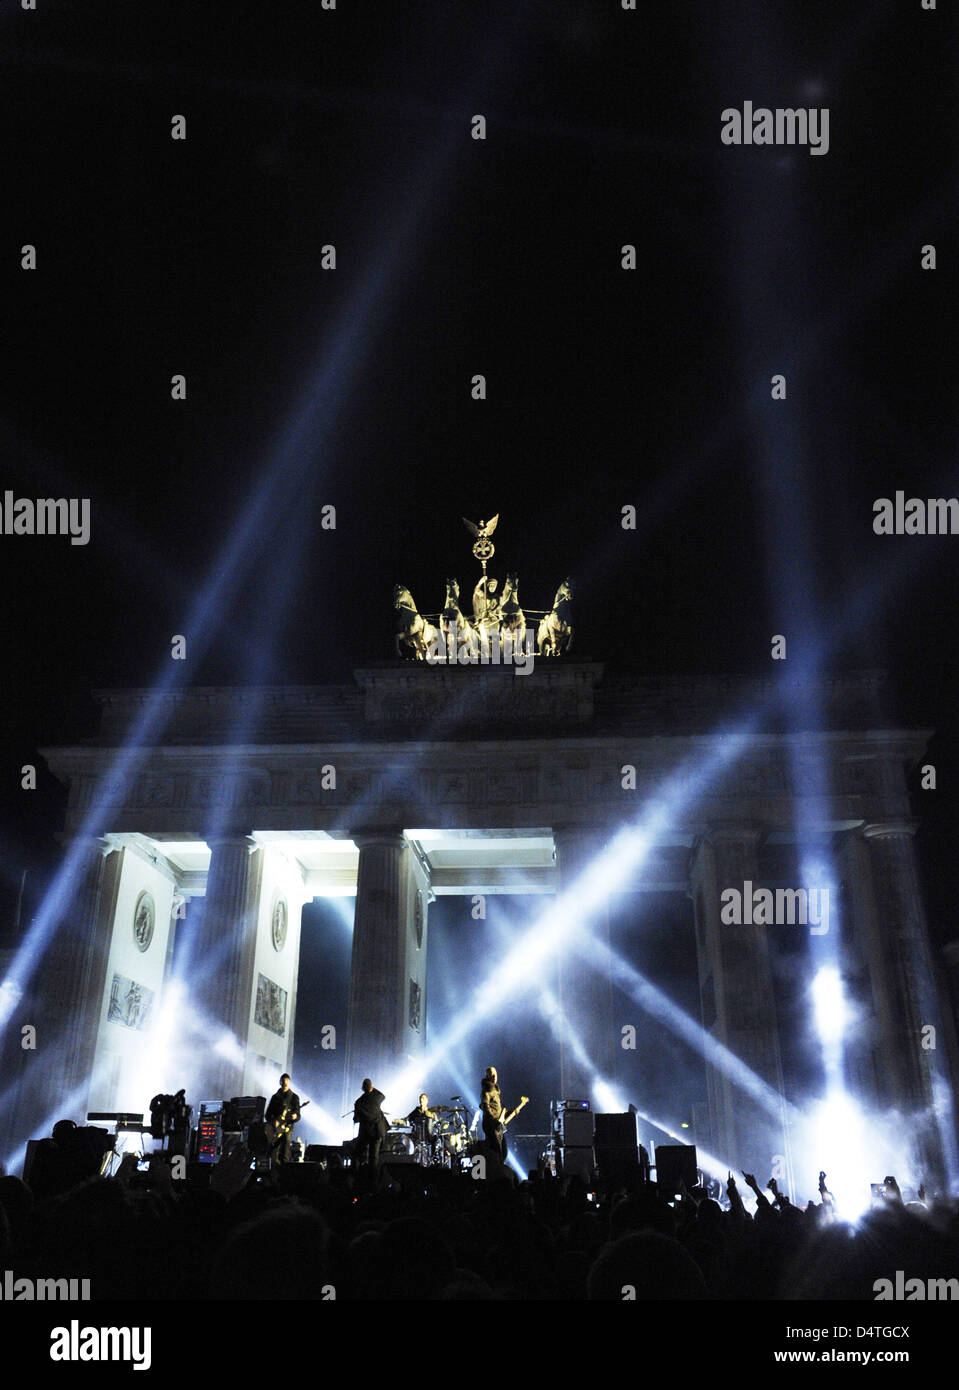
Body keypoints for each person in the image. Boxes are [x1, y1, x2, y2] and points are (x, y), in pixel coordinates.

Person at [353, 1078, 388, 1187]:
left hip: (365, 1132)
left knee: (357, 1155)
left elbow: (356, 1119)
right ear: (372, 1087)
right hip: (377, 1131)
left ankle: (356, 1179)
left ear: (362, 1088)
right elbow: (383, 1095)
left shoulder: (358, 1102)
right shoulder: (377, 1097)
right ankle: (373, 1184)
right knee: (374, 1158)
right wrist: (372, 1089)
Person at [265, 1073, 301, 1164]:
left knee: (285, 1152)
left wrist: (295, 1116)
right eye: (283, 1081)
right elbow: (268, 1114)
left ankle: (284, 1172)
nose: (285, 1083)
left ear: (289, 1082)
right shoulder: (275, 1097)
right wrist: (274, 1122)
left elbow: (298, 1114)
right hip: (275, 1130)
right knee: (274, 1153)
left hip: (287, 1128)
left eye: (286, 1081)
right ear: (280, 1082)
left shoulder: (294, 1097)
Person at [480, 1065, 507, 1163]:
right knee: (497, 1153)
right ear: (487, 1076)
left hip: (497, 1125)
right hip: (492, 1125)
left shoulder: (495, 1090)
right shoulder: (487, 1090)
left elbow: (497, 1109)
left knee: (503, 1152)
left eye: (495, 1074)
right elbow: (485, 1106)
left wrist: (510, 1113)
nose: (494, 1076)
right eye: (491, 1074)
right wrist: (493, 1120)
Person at [407, 1094, 437, 1163]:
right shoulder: (416, 1111)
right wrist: (398, 1121)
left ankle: (432, 1158)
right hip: (417, 1135)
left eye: (423, 1098)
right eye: (420, 1098)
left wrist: (427, 1112)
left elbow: (436, 1122)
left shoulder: (431, 1112)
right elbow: (407, 1118)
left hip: (428, 1135)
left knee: (435, 1139)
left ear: (427, 1101)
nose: (421, 1100)